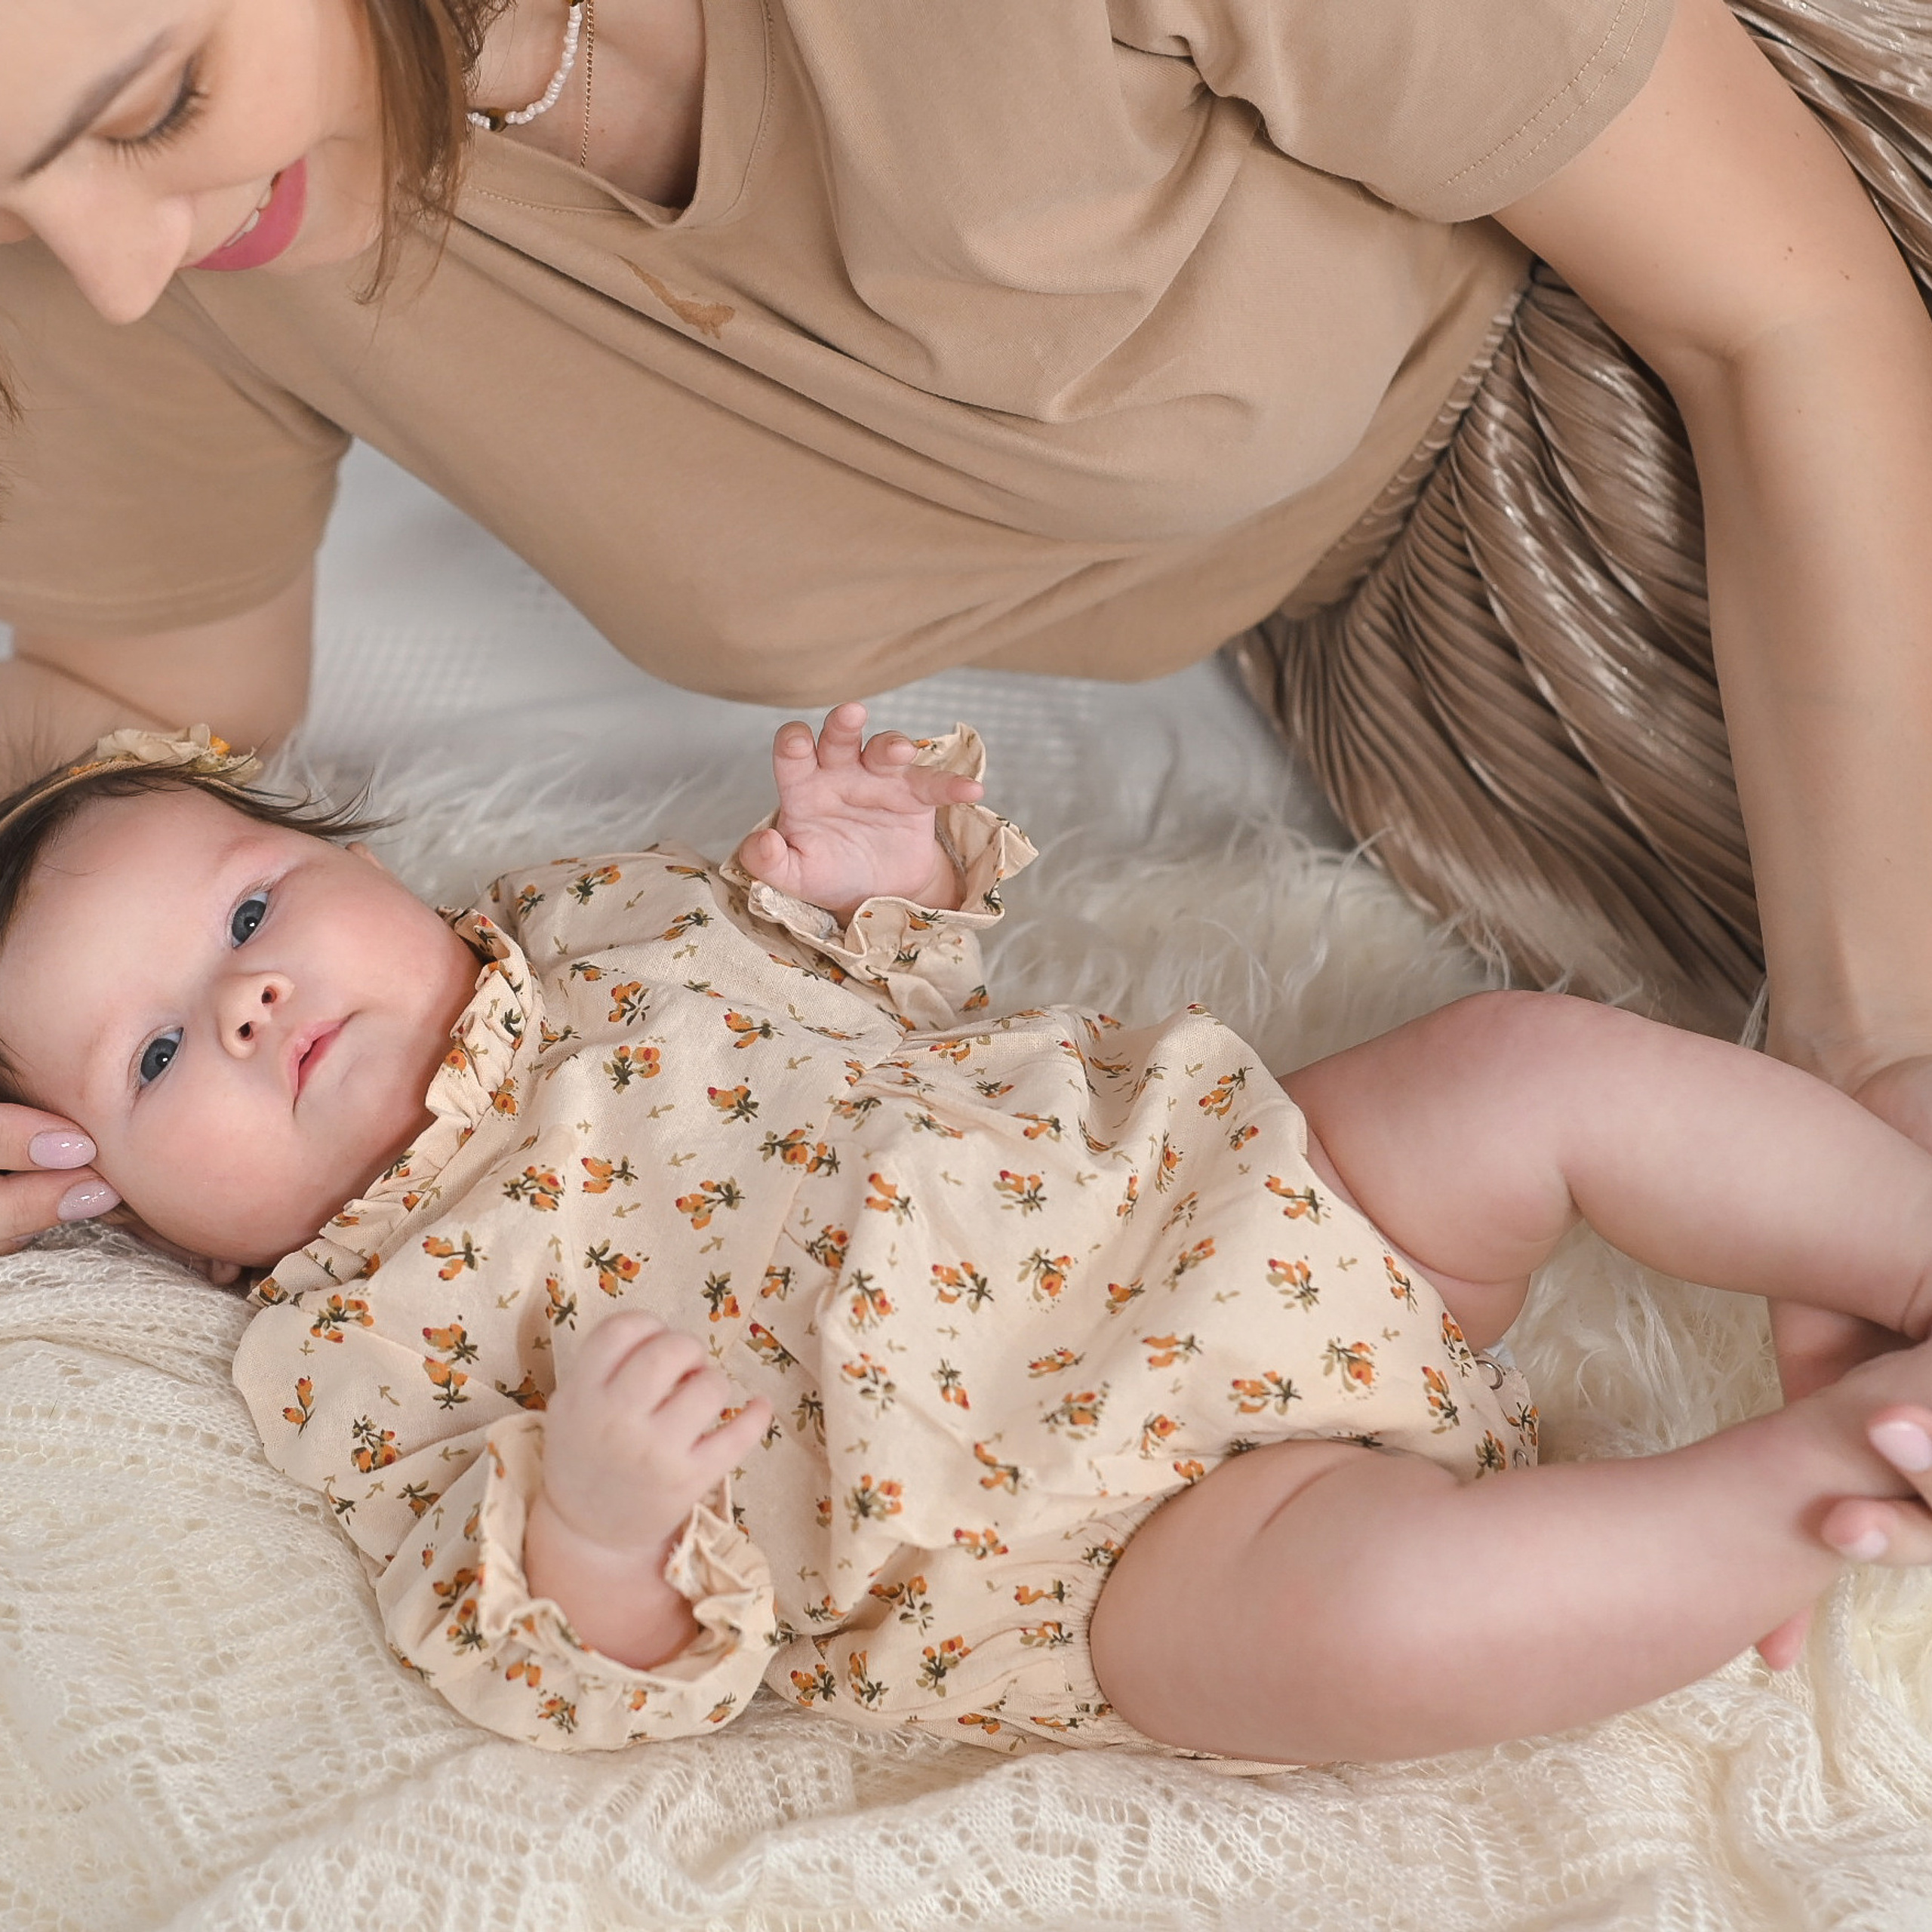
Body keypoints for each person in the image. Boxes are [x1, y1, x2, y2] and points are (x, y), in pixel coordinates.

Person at [0, 0, 1929, 1644]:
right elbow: (123, 761)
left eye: (160, 103)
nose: (101, 258)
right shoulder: (122, 229)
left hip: (1774, 433)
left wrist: (1884, 1045)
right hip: (1438, 704)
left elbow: (1785, 324)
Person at [2, 709, 1932, 1764]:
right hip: (1082, 1551)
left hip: (1220, 1200)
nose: (247, 1002)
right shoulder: (340, 1344)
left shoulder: (595, 919)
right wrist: (595, 1523)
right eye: (161, 1045)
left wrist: (882, 879)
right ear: (117, 1197)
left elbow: (888, 997)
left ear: (348, 854)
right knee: (1373, 1623)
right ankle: (1826, 1475)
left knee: (1512, 1070)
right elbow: (546, 1656)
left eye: (253, 909)